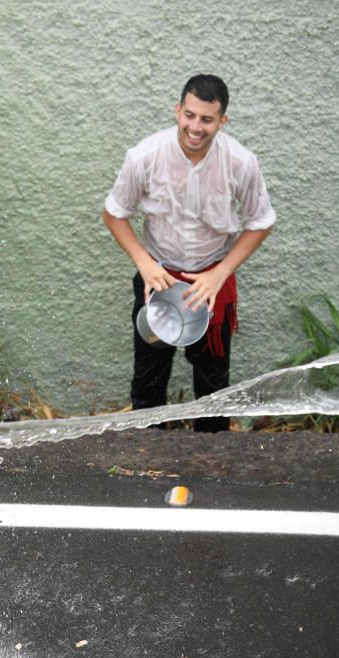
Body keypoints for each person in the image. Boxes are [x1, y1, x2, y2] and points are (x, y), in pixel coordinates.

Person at [101, 74, 275, 432]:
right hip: (157, 278)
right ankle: (150, 462)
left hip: (210, 285)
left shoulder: (241, 162)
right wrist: (144, 264)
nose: (196, 127)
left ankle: (209, 466)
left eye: (207, 119)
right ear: (177, 110)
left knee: (213, 387)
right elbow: (114, 214)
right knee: (148, 383)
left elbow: (260, 222)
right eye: (190, 115)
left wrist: (220, 273)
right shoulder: (144, 156)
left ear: (222, 120)